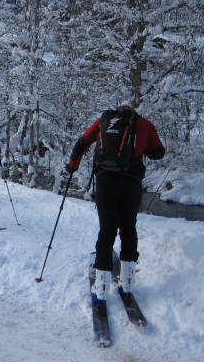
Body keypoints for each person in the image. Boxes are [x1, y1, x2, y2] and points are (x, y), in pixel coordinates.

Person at [66, 105, 165, 305]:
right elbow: (157, 153)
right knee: (128, 229)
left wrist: (72, 166)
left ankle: (101, 288)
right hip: (132, 182)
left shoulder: (103, 122)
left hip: (105, 182)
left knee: (107, 230)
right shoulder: (145, 125)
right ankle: (127, 283)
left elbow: (82, 142)